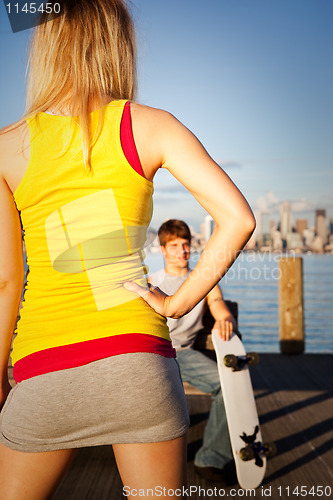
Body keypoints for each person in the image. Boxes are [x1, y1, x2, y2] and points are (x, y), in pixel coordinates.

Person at [0, 1, 256, 498]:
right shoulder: (151, 125)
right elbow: (239, 219)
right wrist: (177, 303)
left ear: (47, 46)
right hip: (138, 362)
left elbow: (7, 281)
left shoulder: (8, 145)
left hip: (43, 367)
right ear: (118, 45)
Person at [149, 220, 238, 484]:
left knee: (228, 383)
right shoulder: (152, 281)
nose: (182, 251)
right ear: (163, 249)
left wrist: (225, 319)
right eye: (174, 246)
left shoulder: (203, 281)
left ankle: (210, 458)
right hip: (154, 353)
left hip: (183, 353)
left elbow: (218, 304)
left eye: (185, 244)